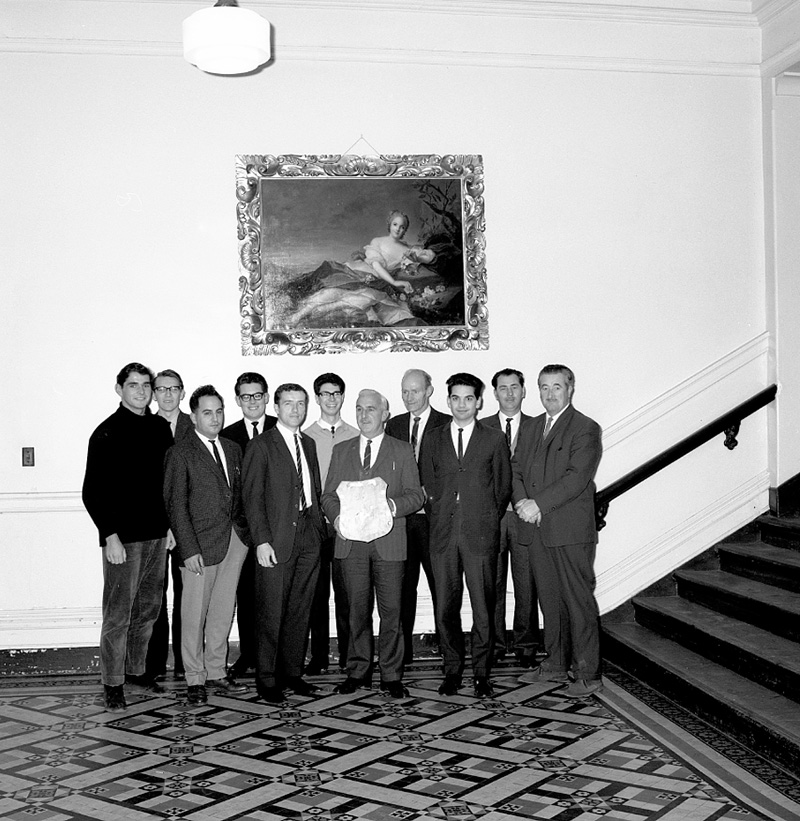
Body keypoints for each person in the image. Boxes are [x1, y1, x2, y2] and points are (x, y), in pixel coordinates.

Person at [82, 363, 174, 712]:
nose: (141, 391)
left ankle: (137, 673)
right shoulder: (106, 433)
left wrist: (170, 529)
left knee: (148, 610)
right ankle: (113, 683)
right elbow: (93, 492)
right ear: (119, 389)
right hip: (123, 540)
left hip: (156, 536)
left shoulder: (159, 429)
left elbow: (166, 485)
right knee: (118, 614)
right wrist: (110, 536)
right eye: (132, 385)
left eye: (146, 385)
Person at [322, 389, 424, 697]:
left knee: (392, 611)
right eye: (359, 409)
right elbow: (327, 496)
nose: (364, 415)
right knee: (356, 610)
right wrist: (337, 518)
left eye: (371, 409)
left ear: (385, 415)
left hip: (389, 542)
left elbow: (416, 495)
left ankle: (392, 675)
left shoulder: (402, 450)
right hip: (351, 544)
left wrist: (389, 509)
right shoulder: (342, 450)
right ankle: (358, 672)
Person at [419, 373, 511, 699]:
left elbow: (501, 490)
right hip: (442, 534)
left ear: (478, 401)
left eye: (468, 399)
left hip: (480, 535)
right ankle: (453, 670)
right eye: (455, 398)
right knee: (446, 607)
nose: (462, 405)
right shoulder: (432, 438)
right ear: (447, 400)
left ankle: (482, 674)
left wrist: (483, 517)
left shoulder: (494, 439)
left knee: (483, 608)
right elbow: (427, 484)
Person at [512, 365, 603, 698]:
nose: (550, 394)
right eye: (544, 388)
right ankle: (554, 663)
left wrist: (538, 504)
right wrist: (523, 502)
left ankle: (588, 673)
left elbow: (577, 478)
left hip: (569, 529)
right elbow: (516, 468)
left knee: (577, 602)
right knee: (550, 602)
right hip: (535, 528)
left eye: (557, 387)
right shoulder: (532, 426)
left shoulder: (585, 428)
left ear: (570, 388)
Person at [163, 385, 252, 706]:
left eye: (219, 411)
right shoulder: (180, 452)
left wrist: (245, 537)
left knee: (222, 612)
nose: (214, 418)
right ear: (194, 416)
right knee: (193, 614)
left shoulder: (232, 448)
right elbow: (176, 505)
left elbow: (239, 495)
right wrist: (187, 549)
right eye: (207, 412)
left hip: (234, 543)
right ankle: (194, 677)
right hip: (198, 548)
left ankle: (216, 670)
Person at [242, 383, 325, 703]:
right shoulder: (261, 445)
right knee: (271, 611)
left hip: (308, 537)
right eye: (289, 404)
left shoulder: (309, 443)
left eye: (301, 404)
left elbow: (313, 491)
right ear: (276, 407)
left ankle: (292, 673)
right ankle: (266, 679)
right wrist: (261, 541)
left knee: (299, 609)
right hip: (275, 540)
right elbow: (252, 499)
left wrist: (319, 533)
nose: (296, 410)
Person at [385, 368, 450, 665]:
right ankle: (403, 653)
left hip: (434, 521)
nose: (409, 397)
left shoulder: (447, 424)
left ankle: (449, 649)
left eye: (415, 390)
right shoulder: (394, 425)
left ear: (429, 390)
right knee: (401, 587)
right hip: (402, 522)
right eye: (405, 391)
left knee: (441, 585)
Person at [481, 368, 540, 667]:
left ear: (523, 391)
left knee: (526, 582)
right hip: (491, 518)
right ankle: (493, 643)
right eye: (502, 388)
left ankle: (526, 643)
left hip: (523, 516)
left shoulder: (539, 426)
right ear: (494, 393)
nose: (509, 393)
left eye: (514, 387)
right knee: (491, 583)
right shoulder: (481, 427)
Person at [287, 210, 435, 329]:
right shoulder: (378, 241)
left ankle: (312, 314)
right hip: (359, 272)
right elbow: (376, 265)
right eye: (396, 224)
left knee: (357, 300)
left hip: (377, 282)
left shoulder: (408, 250)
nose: (398, 229)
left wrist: (421, 257)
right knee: (334, 292)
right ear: (390, 225)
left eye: (402, 227)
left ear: (405, 230)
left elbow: (419, 260)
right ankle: (299, 315)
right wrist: (394, 282)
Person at [303, 373, 360, 675]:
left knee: (346, 592)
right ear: (317, 398)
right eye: (325, 394)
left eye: (336, 393)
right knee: (316, 594)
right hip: (316, 526)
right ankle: (320, 656)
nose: (331, 399)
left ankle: (350, 653)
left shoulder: (355, 433)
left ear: (342, 396)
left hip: (346, 526)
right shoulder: (306, 435)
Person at [221, 372, 277, 679]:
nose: (252, 401)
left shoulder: (279, 429)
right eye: (246, 396)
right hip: (241, 529)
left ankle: (274, 654)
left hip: (276, 527)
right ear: (238, 400)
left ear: (267, 398)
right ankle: (248, 654)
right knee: (245, 593)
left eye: (257, 395)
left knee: (273, 594)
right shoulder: (228, 436)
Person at [146, 368, 193, 683]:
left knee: (188, 595)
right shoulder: (144, 426)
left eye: (173, 388)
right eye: (160, 389)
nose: (167, 394)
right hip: (152, 525)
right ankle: (154, 662)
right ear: (153, 393)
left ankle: (185, 662)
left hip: (190, 526)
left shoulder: (195, 423)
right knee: (155, 596)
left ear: (182, 392)